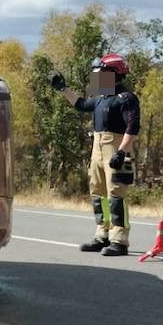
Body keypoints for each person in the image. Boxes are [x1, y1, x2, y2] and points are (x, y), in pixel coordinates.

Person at [50, 53, 140, 256]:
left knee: (116, 196)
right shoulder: (100, 99)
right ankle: (103, 235)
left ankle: (120, 240)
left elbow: (133, 127)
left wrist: (121, 152)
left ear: (114, 75)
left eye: (100, 74)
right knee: (98, 195)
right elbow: (81, 104)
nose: (96, 78)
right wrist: (63, 89)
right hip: (97, 151)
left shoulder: (126, 98)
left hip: (117, 151)